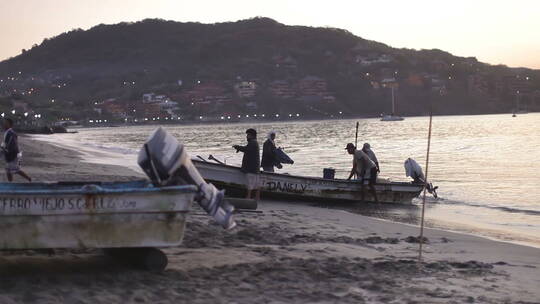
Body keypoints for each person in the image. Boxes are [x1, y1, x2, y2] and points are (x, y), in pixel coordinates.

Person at [233, 128, 260, 200]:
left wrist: (238, 147)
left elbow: (246, 149)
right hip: (255, 168)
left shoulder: (253, 143)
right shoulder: (254, 142)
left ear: (252, 135)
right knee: (255, 185)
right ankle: (256, 198)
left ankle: (248, 198)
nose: (246, 136)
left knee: (250, 185)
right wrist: (239, 148)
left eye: (248, 135)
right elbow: (246, 149)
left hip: (251, 168)